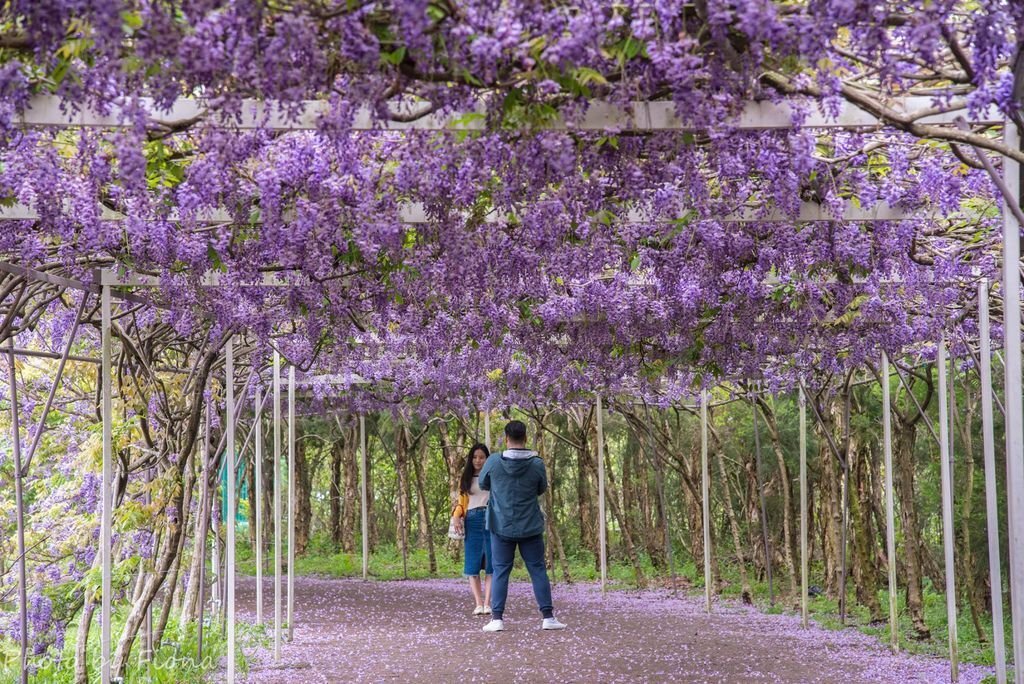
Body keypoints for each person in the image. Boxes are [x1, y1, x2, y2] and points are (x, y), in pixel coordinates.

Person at [479, 420, 566, 632]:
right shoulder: (536, 463)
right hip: (530, 525)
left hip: (501, 525)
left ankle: (497, 619)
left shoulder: (493, 461)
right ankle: (548, 617)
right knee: (537, 570)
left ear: (506, 438)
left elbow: (483, 483)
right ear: (525, 438)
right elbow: (541, 488)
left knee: (500, 571)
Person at [450, 443, 493, 615]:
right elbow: (462, 504)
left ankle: (488, 603)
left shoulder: (492, 477)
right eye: (475, 457)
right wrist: (456, 516)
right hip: (472, 519)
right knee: (472, 563)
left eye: (482, 457)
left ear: (487, 459)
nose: (478, 460)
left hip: (490, 519)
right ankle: (478, 603)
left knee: (492, 563)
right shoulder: (466, 478)